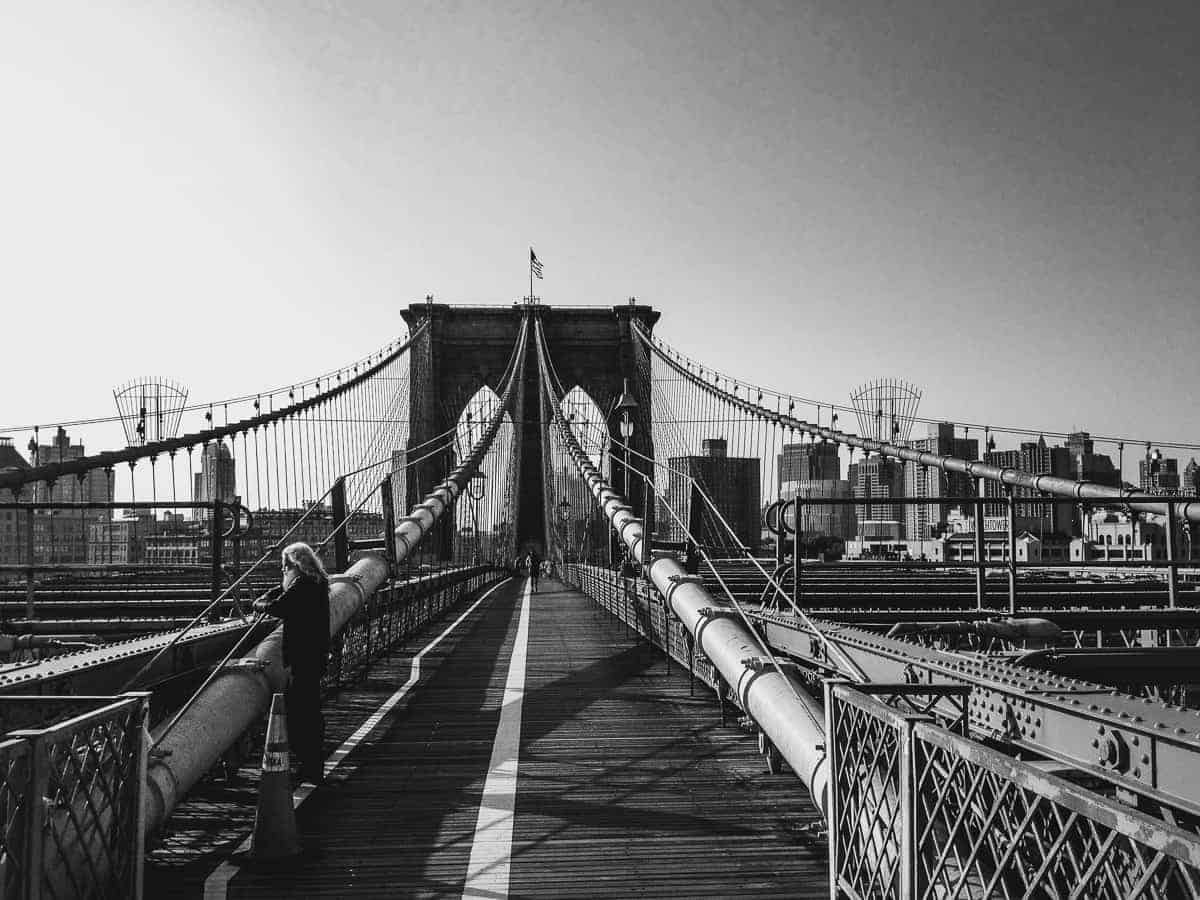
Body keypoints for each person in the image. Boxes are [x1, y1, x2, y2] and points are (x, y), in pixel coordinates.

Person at [253, 542, 331, 784]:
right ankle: (313, 765)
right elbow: (285, 593)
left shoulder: (303, 586)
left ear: (295, 566)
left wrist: (259, 603)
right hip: (313, 657)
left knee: (299, 715)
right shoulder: (315, 583)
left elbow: (279, 607)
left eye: (284, 566)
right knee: (308, 712)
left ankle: (311, 767)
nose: (282, 571)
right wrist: (274, 592)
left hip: (303, 659)